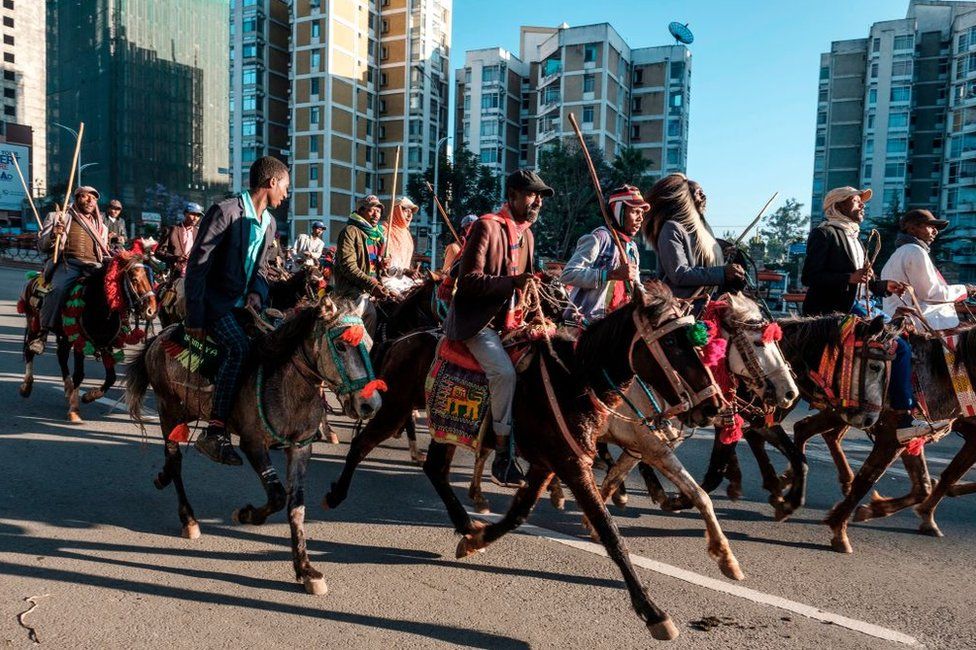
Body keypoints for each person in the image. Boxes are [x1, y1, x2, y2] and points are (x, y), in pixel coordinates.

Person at [801, 186, 942, 441]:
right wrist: (850, 277)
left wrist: (883, 286)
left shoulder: (854, 237)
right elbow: (810, 277)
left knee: (907, 335)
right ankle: (902, 415)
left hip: (859, 307)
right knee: (898, 347)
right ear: (838, 206)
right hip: (831, 312)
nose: (861, 206)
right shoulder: (824, 233)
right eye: (856, 201)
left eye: (861, 202)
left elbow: (863, 283)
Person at [442, 169, 551, 487]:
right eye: (532, 194)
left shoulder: (527, 233)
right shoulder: (486, 225)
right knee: (504, 373)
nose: (537, 201)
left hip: (513, 320)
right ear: (514, 194)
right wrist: (512, 282)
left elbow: (528, 279)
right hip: (479, 322)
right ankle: (503, 452)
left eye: (540, 196)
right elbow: (470, 281)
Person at [185, 156, 288, 465]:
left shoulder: (270, 223)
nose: (286, 193)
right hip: (216, 304)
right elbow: (197, 268)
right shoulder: (225, 212)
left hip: (245, 306)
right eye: (285, 186)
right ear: (271, 183)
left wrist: (257, 293)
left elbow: (264, 269)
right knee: (239, 349)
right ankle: (214, 431)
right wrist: (194, 318)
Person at [30, 186, 110, 354]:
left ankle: (109, 336)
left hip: (94, 266)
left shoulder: (101, 226)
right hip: (70, 265)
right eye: (85, 197)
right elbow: (42, 246)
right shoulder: (58, 217)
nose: (90, 201)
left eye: (93, 198)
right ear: (76, 198)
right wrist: (53, 234)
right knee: (57, 290)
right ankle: (43, 334)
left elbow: (104, 250)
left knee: (114, 291)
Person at [646, 173, 745, 300]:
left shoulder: (703, 231)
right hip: (679, 308)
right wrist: (723, 272)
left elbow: (701, 266)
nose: (704, 196)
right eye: (698, 193)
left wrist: (722, 257)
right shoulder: (671, 228)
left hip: (705, 304)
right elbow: (679, 274)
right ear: (686, 198)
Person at [561, 185, 648, 324]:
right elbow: (568, 274)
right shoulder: (598, 238)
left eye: (642, 214)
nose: (640, 219)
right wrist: (610, 274)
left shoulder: (632, 248)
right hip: (587, 324)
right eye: (635, 212)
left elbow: (636, 284)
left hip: (616, 324)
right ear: (619, 211)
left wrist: (654, 302)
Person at [881, 209, 976, 330]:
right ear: (912, 229)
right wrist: (966, 289)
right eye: (931, 226)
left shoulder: (899, 253)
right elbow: (931, 293)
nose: (935, 232)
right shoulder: (915, 251)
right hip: (916, 324)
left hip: (900, 321)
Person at [333, 194, 394, 334]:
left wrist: (384, 264)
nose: (376, 214)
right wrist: (372, 286)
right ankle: (365, 352)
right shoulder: (350, 232)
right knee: (370, 312)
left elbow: (378, 266)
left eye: (378, 211)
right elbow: (348, 267)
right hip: (352, 291)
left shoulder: (377, 235)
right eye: (371, 210)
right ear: (360, 211)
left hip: (373, 289)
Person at [156, 202, 203, 277]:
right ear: (185, 214)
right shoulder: (172, 230)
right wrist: (176, 258)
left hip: (193, 274)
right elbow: (158, 252)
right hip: (174, 274)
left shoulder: (199, 233)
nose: (195, 218)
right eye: (193, 214)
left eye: (198, 215)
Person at [384, 197, 419, 275]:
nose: (410, 216)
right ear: (397, 211)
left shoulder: (407, 234)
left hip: (403, 280)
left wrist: (412, 272)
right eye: (406, 211)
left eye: (411, 212)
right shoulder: (385, 230)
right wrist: (404, 272)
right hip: (387, 279)